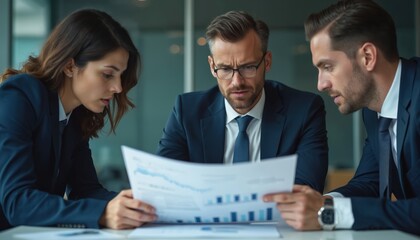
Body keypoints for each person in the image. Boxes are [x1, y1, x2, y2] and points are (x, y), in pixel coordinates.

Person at [263, 0, 420, 235]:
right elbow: (369, 182)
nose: (321, 84)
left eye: (328, 66)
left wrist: (329, 213)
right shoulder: (375, 110)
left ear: (367, 56)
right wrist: (317, 203)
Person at [0, 9, 156, 230]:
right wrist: (103, 214)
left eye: (120, 75)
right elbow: (18, 203)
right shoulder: (19, 96)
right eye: (107, 74)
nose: (118, 87)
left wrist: (134, 206)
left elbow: (85, 190)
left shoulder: (74, 116)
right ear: (70, 66)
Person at [157, 11, 328, 195]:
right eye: (225, 69)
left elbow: (307, 191)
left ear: (267, 62)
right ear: (212, 66)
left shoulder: (304, 110)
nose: (237, 81)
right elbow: (165, 185)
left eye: (248, 67)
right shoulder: (187, 111)